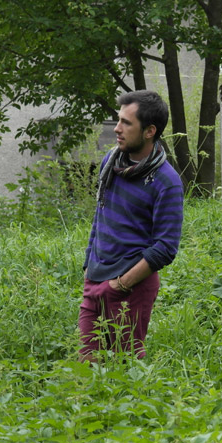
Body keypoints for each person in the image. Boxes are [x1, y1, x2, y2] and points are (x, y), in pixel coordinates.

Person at [79, 90, 183, 361]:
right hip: (95, 279)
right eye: (118, 120)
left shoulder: (167, 181)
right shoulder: (110, 162)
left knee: (125, 369)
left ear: (149, 131)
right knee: (86, 366)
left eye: (126, 123)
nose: (117, 128)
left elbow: (165, 247)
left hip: (130, 288)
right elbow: (101, 214)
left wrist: (120, 284)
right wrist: (89, 267)